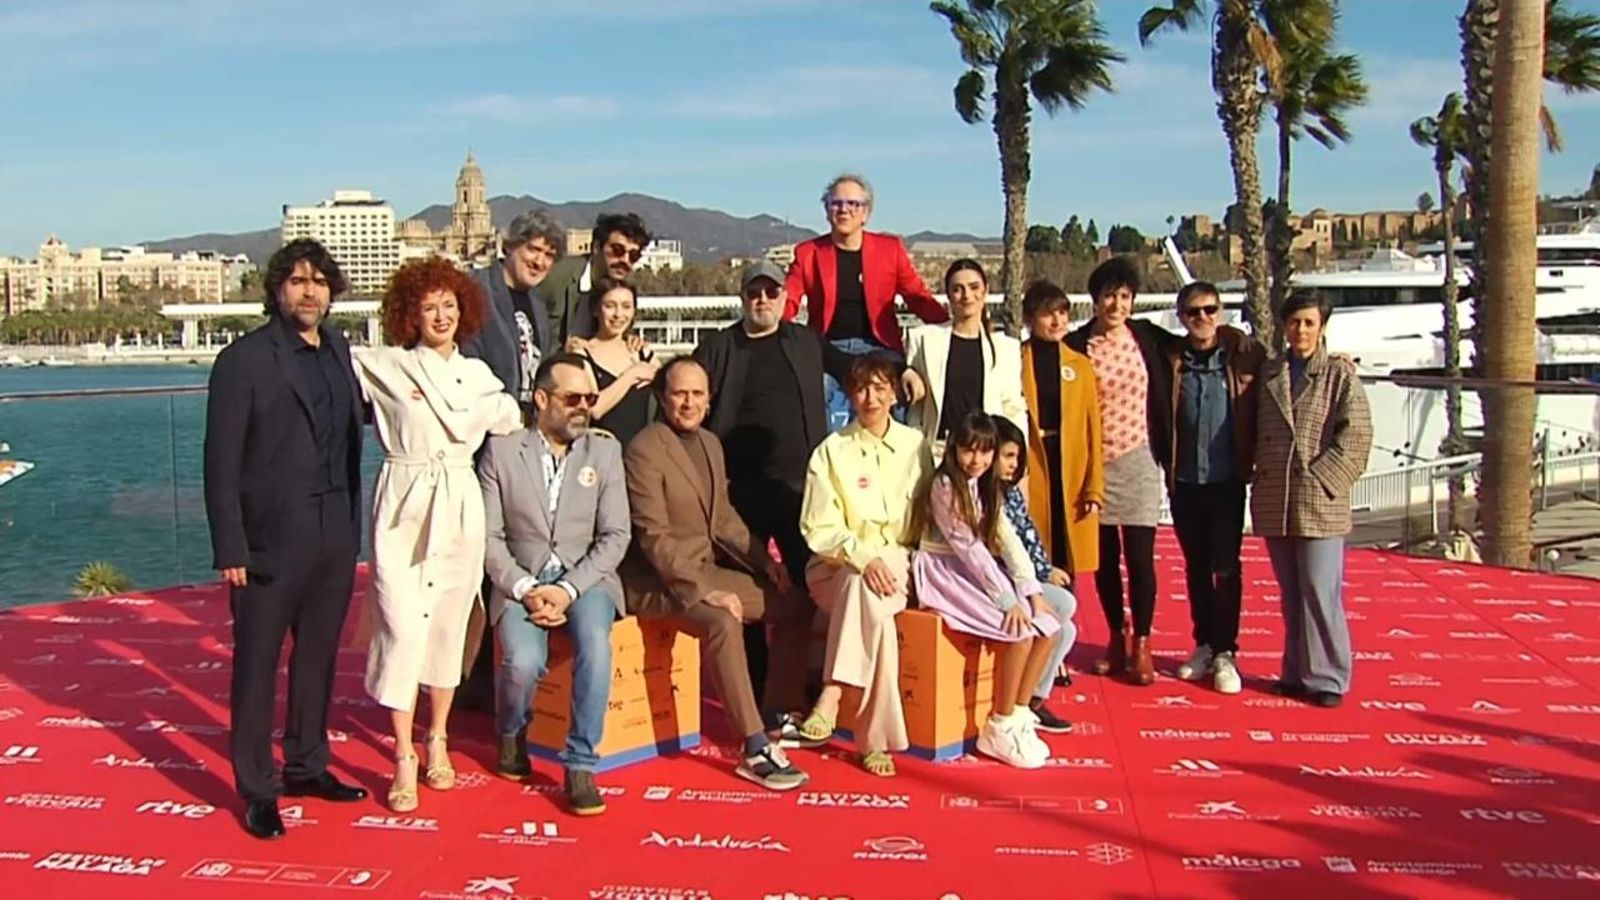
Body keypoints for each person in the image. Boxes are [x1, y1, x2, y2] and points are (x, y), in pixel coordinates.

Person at [203, 239, 367, 840]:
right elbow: (220, 461)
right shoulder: (243, 360)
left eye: (320, 282)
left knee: (318, 660)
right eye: (298, 281)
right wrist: (231, 548)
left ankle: (306, 763)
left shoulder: (339, 351)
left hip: (333, 531)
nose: (309, 291)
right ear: (278, 289)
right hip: (269, 539)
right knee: (256, 667)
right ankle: (257, 788)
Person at [353, 258, 523, 813]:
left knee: (450, 623)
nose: (441, 315)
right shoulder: (386, 366)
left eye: (450, 304)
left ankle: (438, 737)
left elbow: (513, 420)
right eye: (429, 306)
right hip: (402, 499)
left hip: (458, 499)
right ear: (410, 313)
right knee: (400, 625)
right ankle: (402, 752)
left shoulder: (480, 379)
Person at [620, 357, 814, 790]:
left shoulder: (710, 444)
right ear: (662, 398)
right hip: (657, 582)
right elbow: (653, 537)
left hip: (704, 569)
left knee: (796, 605)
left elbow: (722, 520)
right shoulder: (643, 450)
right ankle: (753, 746)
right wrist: (701, 590)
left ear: (709, 401)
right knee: (723, 620)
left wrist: (766, 563)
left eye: (697, 394)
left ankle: (779, 714)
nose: (688, 403)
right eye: (679, 393)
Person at [478, 353, 631, 815]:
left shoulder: (605, 451)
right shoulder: (501, 452)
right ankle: (511, 733)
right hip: (520, 579)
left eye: (589, 397)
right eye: (572, 398)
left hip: (587, 579)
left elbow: (615, 535)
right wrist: (525, 588)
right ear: (542, 399)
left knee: (595, 645)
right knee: (522, 662)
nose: (584, 406)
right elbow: (487, 536)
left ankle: (581, 763)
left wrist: (567, 589)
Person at [694, 261, 830, 709]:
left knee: (809, 581)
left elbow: (857, 364)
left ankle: (801, 679)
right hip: (738, 491)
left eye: (771, 292)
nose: (763, 300)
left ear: (784, 297)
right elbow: (682, 391)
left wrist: (904, 371)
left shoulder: (805, 341)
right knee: (744, 586)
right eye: (754, 292)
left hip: (797, 489)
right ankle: (751, 682)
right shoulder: (717, 347)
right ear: (742, 297)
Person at [795, 354, 930, 777]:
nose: (870, 398)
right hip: (834, 568)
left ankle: (833, 692)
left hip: (898, 567)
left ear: (894, 392)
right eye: (860, 389)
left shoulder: (915, 446)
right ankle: (873, 742)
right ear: (850, 395)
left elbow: (925, 520)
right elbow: (819, 527)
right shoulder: (832, 451)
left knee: (869, 585)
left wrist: (875, 560)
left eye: (879, 387)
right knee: (873, 611)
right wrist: (862, 556)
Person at [910, 411, 1062, 770]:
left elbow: (1005, 539)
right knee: (1020, 633)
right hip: (945, 572)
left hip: (977, 573)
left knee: (1050, 627)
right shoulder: (945, 485)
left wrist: (1031, 591)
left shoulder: (986, 485)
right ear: (954, 450)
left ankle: (1020, 714)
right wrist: (1008, 600)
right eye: (968, 451)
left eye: (985, 452)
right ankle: (1000, 723)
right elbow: (969, 550)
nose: (975, 460)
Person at [1253, 291, 1372, 709]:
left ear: (1321, 326)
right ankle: (1295, 670)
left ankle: (1328, 676)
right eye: (1294, 322)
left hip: (1319, 500)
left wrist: (1322, 480)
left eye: (1308, 322)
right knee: (1291, 593)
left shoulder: (1340, 375)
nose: (1300, 330)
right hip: (1276, 499)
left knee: (1321, 591)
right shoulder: (1271, 373)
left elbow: (1355, 437)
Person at [1065, 257, 1178, 686]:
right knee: (1105, 560)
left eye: (1125, 296)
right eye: (1109, 296)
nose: (1116, 304)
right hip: (1093, 462)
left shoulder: (1146, 337)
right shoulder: (1077, 344)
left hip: (1140, 457)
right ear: (1095, 300)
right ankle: (1116, 636)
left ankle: (1142, 643)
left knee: (1141, 558)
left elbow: (1201, 340)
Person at [782, 173, 949, 427]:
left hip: (880, 348)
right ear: (826, 211)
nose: (844, 210)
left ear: (866, 213)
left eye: (853, 204)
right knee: (815, 395)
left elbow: (918, 298)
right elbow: (789, 301)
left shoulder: (889, 249)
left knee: (901, 395)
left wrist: (953, 324)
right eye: (836, 203)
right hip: (828, 348)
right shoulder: (808, 254)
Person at [1163, 281, 1265, 696]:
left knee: (1226, 567)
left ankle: (1227, 651)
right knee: (1196, 567)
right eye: (1192, 312)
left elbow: (1285, 365)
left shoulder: (1243, 356)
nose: (1202, 318)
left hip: (1226, 481)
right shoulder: (1173, 360)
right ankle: (1203, 643)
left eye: (1209, 309)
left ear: (1220, 312)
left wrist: (1339, 358)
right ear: (1181, 317)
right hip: (1185, 481)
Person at [992, 417, 1077, 732]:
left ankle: (1033, 700)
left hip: (1022, 577)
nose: (1014, 464)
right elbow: (1004, 548)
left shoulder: (1010, 492)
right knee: (1064, 606)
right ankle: (1018, 706)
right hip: (1001, 582)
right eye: (1008, 456)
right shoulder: (986, 495)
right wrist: (1037, 579)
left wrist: (1045, 569)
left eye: (1017, 457)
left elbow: (1027, 535)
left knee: (1066, 631)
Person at [1018, 280, 1103, 587]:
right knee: (1030, 553)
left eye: (1062, 314)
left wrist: (1094, 487)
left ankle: (1067, 627)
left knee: (1068, 554)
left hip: (1070, 465)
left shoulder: (1079, 365)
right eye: (1047, 314)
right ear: (1030, 319)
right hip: (1032, 461)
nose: (1057, 322)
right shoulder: (1015, 359)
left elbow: (1093, 428)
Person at [901, 259, 1027, 459]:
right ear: (949, 296)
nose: (967, 295)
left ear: (985, 291)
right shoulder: (924, 340)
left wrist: (1015, 455)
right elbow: (916, 407)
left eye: (974, 287)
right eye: (958, 289)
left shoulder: (1006, 348)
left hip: (986, 456)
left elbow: (1013, 406)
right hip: (938, 453)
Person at [463, 210, 565, 404]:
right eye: (533, 249)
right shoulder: (476, 290)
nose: (539, 262)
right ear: (510, 247)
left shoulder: (537, 300)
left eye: (549, 255)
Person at [541, 212, 652, 346]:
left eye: (634, 256)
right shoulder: (555, 276)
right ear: (596, 247)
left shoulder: (624, 292)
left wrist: (630, 341)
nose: (625, 261)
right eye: (617, 250)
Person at [573, 278, 658, 446]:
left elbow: (670, 389)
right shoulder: (582, 354)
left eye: (626, 306)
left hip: (640, 455)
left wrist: (656, 375)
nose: (619, 314)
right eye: (610, 306)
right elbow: (594, 409)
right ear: (596, 310)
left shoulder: (642, 353)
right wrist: (632, 374)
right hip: (599, 455)